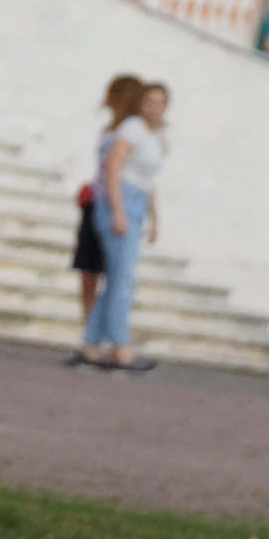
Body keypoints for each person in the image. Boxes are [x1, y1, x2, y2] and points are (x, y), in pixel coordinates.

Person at [76, 80, 168, 373]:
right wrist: (117, 211)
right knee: (123, 281)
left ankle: (92, 345)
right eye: (149, 101)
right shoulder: (131, 129)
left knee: (118, 280)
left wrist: (154, 217)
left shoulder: (154, 136)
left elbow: (149, 181)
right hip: (123, 201)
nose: (154, 107)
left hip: (138, 202)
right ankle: (120, 347)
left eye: (160, 102)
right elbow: (114, 169)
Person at [75, 77, 145, 320]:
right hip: (97, 199)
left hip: (109, 204)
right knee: (89, 273)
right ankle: (91, 330)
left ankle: (97, 332)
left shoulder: (128, 133)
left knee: (103, 273)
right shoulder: (115, 130)